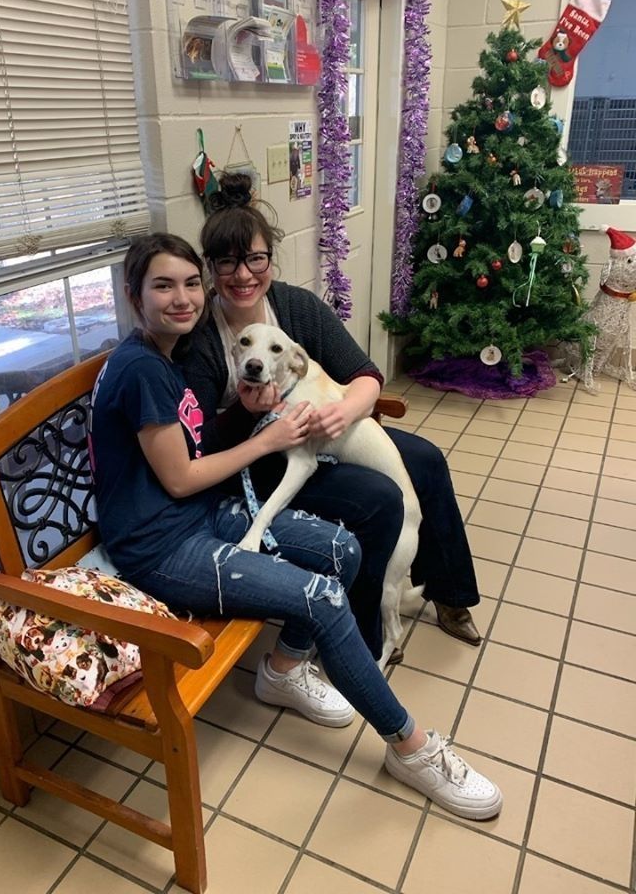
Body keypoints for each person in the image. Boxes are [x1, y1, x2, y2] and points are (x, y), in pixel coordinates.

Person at [90, 232, 502, 820]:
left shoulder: (166, 354)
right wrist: (276, 436)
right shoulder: (143, 370)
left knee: (344, 549)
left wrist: (274, 427)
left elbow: (353, 376)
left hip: (198, 512)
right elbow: (180, 478)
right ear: (134, 296)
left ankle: (281, 671)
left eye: (187, 284)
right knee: (324, 595)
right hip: (162, 544)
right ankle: (411, 748)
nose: (182, 298)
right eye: (163, 285)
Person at [183, 174, 482, 662]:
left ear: (270, 261)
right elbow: (198, 442)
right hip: (257, 461)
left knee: (426, 459)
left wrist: (341, 414)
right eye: (228, 262)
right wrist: (245, 413)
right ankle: (363, 637)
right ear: (211, 267)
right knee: (380, 498)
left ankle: (447, 593)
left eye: (255, 259)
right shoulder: (200, 339)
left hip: (322, 436)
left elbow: (365, 374)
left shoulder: (297, 308)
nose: (243, 274)